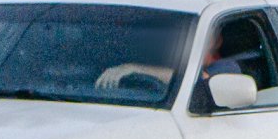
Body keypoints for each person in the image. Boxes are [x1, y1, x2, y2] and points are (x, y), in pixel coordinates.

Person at [96, 26, 240, 90]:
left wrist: (134, 68)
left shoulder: (228, 67)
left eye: (193, 36)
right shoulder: (163, 65)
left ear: (215, 41)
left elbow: (197, 79)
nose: (184, 42)